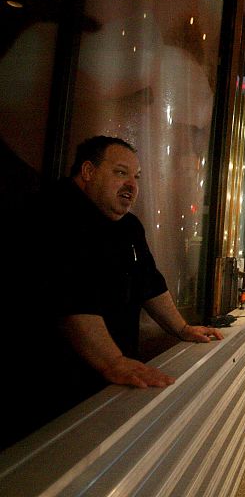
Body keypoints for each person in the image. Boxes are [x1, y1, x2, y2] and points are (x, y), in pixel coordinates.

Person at [1, 135, 223, 450]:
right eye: (121, 173)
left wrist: (183, 329)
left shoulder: (129, 227)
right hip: (45, 386)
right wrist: (113, 361)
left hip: (106, 383)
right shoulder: (50, 213)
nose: (131, 185)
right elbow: (69, 300)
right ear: (88, 172)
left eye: (136, 177)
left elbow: (149, 283)